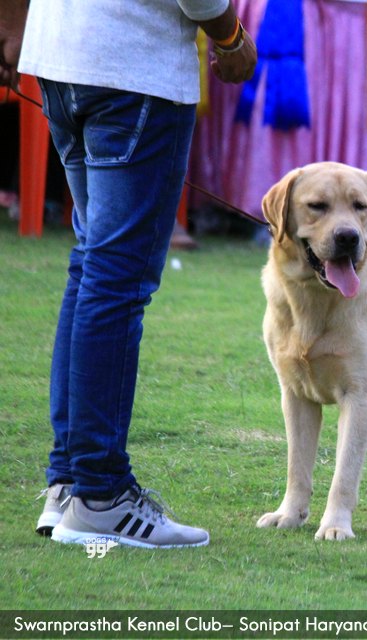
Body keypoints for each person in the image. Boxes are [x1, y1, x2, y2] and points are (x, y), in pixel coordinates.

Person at [0, 0, 257, 548]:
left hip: (61, 58)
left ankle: (70, 483)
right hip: (132, 65)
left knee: (93, 266)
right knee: (114, 279)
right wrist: (231, 37)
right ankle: (102, 494)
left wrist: (11, 23)